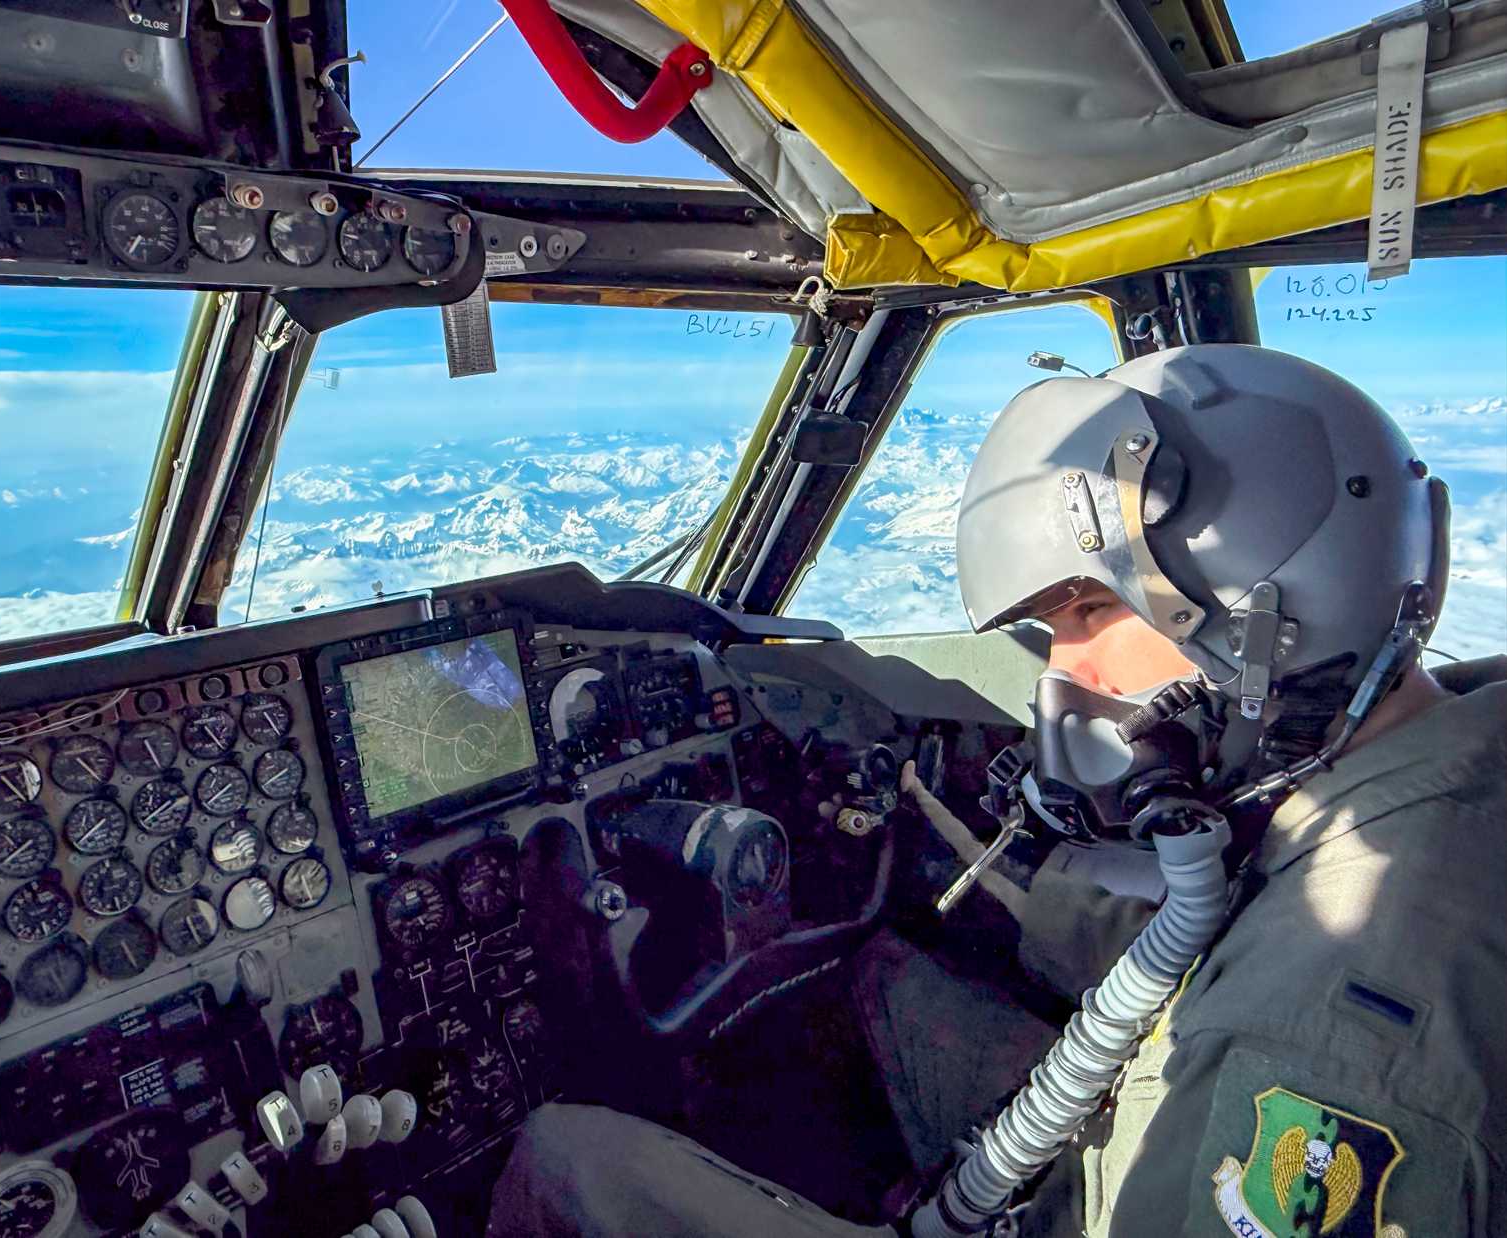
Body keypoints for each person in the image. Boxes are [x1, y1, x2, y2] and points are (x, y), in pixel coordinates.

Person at [486, 345, 1505, 1238]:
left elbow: (1275, 995)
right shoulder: (1438, 763)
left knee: (565, 1157)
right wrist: (979, 872)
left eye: (1088, 609)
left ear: (1268, 609)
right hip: (1140, 1115)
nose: (1063, 673)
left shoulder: (1333, 1046)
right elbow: (1221, 936)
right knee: (876, 979)